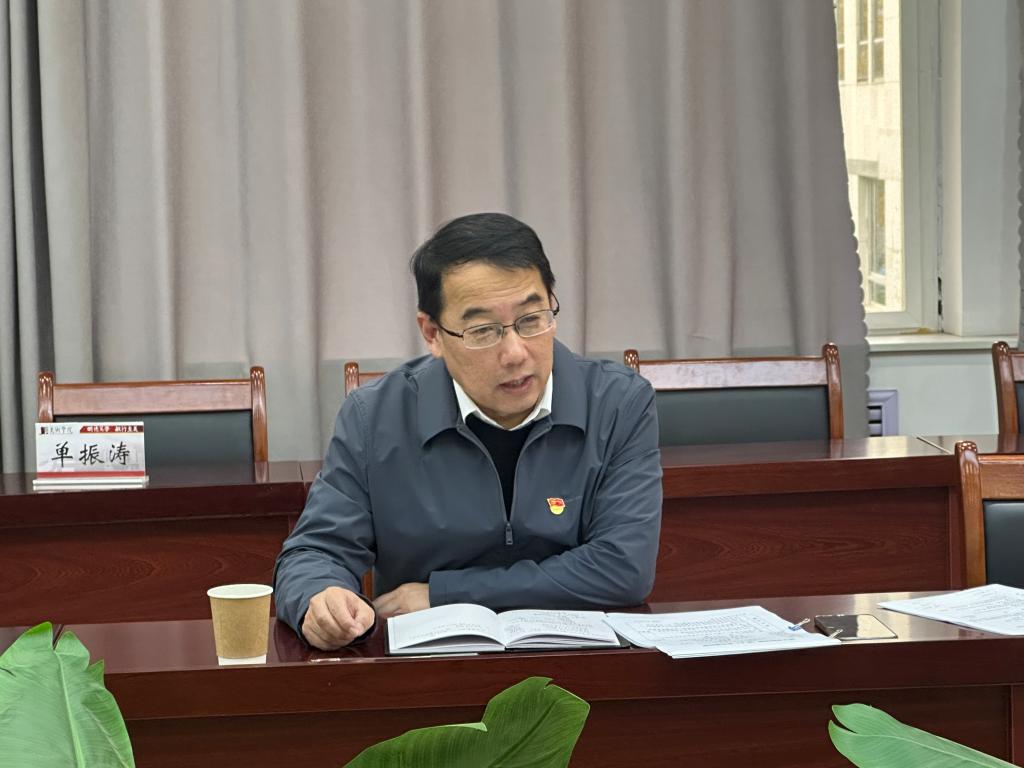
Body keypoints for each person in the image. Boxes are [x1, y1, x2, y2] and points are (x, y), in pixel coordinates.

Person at [274, 212, 662, 650]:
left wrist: (443, 595)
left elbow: (623, 568)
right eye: (483, 331)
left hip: (583, 668)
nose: (515, 353)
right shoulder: (375, 417)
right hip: (428, 668)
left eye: (532, 319)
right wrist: (321, 598)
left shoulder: (616, 403)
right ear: (432, 334)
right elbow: (314, 553)